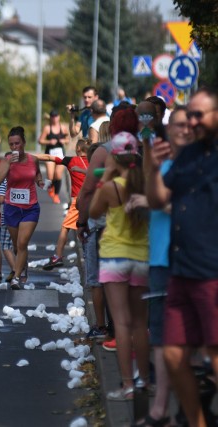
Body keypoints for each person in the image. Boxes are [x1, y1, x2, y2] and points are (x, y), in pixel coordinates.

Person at [145, 87, 218, 427]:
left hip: (211, 271)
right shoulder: (186, 156)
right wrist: (156, 165)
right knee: (173, 355)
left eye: (200, 114)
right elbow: (158, 200)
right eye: (191, 114)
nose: (193, 121)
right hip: (180, 269)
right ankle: (197, 422)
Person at [133, 106, 192, 427]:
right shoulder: (164, 163)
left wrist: (157, 203)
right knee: (161, 336)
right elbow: (148, 188)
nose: (183, 130)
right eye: (177, 125)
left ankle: (181, 409)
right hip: (159, 259)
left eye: (189, 125)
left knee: (186, 339)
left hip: (189, 260)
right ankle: (160, 411)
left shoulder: (201, 165)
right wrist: (145, 148)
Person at [89, 132, 150, 402]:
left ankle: (127, 385)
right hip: (141, 257)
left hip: (115, 257)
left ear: (114, 157)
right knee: (140, 323)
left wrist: (105, 176)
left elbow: (91, 211)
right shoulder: (144, 183)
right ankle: (144, 381)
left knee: (122, 324)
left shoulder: (111, 187)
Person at [0, 126, 45, 290]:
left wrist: (41, 182)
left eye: (17, 143)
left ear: (24, 143)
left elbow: (37, 174)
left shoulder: (33, 160)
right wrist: (8, 164)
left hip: (30, 208)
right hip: (12, 208)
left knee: (22, 243)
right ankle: (23, 265)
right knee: (16, 246)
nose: (15, 147)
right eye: (11, 144)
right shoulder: (6, 160)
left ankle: (16, 276)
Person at [40, 139, 90, 271]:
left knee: (65, 228)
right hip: (92, 199)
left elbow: (49, 157)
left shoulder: (71, 160)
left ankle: (58, 256)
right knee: (86, 229)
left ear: (78, 148)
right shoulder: (93, 162)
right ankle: (89, 254)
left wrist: (29, 156)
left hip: (77, 202)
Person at [38, 109, 69, 203]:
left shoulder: (63, 127)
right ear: (51, 118)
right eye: (53, 117)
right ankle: (50, 188)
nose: (54, 118)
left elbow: (68, 139)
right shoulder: (47, 128)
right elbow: (40, 141)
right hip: (49, 154)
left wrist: (64, 141)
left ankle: (56, 195)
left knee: (58, 175)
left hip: (60, 154)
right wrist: (49, 142)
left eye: (56, 116)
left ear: (58, 117)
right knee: (50, 176)